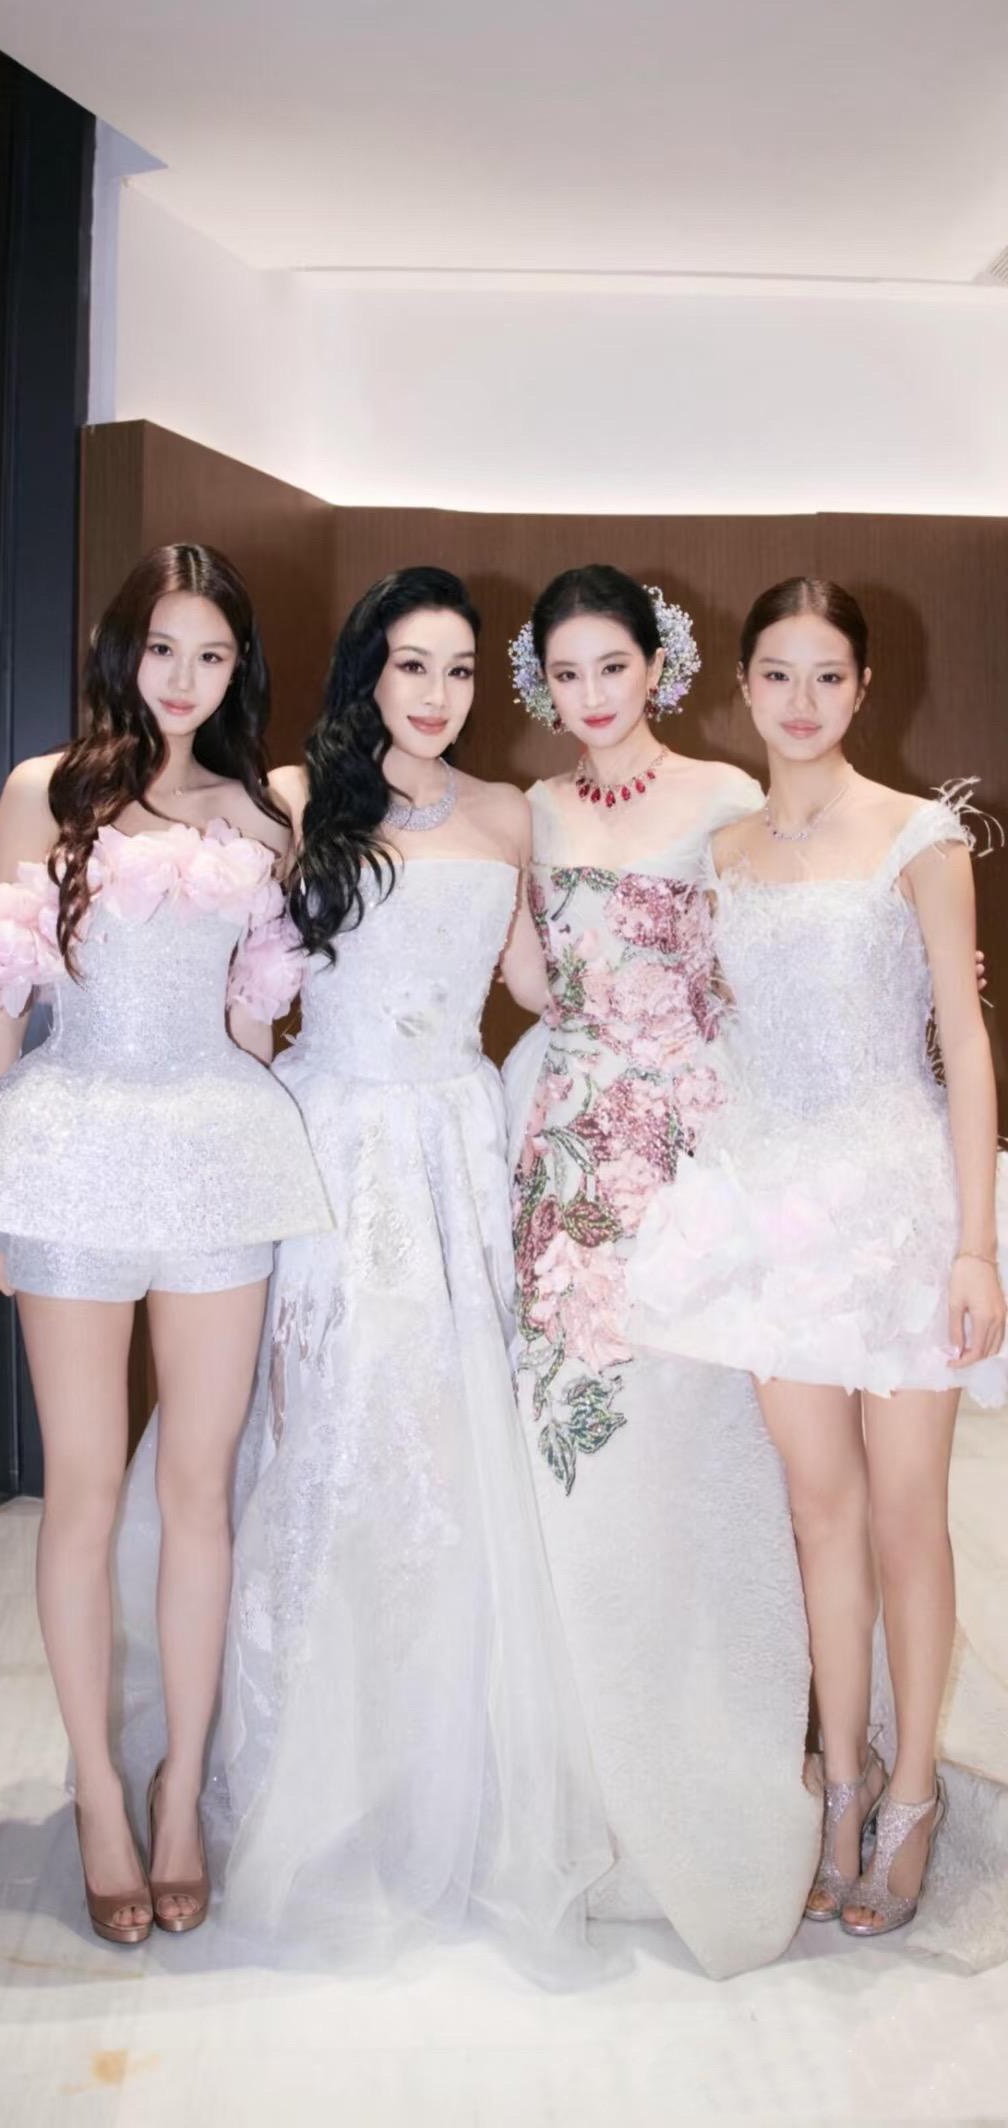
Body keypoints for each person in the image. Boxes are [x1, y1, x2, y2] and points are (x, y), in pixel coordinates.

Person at [117, 566, 611, 1970]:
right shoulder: (289, 798)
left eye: (460, 670)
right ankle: (278, 1766)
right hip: (327, 1148)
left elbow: (540, 985)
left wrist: (677, 985)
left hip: (458, 1150)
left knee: (449, 1451)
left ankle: (429, 1766)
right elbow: (237, 993)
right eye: (411, 666)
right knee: (320, 1437)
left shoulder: (511, 814)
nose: (436, 695)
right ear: (367, 673)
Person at [0, 544, 329, 1945]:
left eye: (213, 655)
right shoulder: (45, 790)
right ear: (122, 649)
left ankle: (178, 1796)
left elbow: (253, 1019)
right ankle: (99, 1792)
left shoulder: (264, 812)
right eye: (164, 648)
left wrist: (273, 1147)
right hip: (72, 1149)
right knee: (86, 1492)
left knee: (203, 1491)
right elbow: (4, 1004)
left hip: (217, 1150)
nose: (185, 678)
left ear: (239, 670)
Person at [625, 575, 1007, 1941]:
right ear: (741, 687)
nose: (801, 701)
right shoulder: (721, 854)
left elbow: (965, 1044)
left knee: (907, 1516)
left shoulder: (922, 837)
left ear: (863, 688)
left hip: (902, 1211)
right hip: (773, 1214)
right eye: (777, 675)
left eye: (827, 676)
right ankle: (839, 1784)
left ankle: (912, 1795)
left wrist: (976, 1247)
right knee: (819, 1515)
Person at [502, 564, 819, 1979]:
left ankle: (711, 1761)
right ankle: (583, 1779)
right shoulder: (534, 810)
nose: (590, 698)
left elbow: (768, 968)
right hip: (567, 1152)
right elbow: (531, 981)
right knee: (575, 1462)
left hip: (691, 1149)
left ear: (659, 665)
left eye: (611, 669)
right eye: (564, 675)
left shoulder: (724, 796)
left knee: (694, 1453)